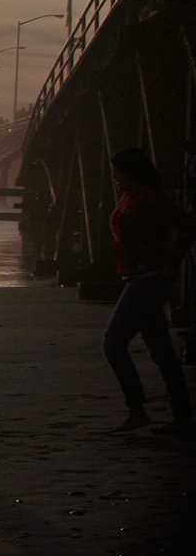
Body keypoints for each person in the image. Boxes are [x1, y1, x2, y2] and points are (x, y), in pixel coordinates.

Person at [103, 148, 193, 433]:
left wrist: (172, 261)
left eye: (118, 172)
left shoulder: (152, 197)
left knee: (113, 343)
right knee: (162, 352)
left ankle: (138, 408)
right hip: (135, 277)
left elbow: (187, 225)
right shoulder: (130, 196)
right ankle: (181, 416)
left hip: (149, 279)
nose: (114, 177)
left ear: (131, 172)